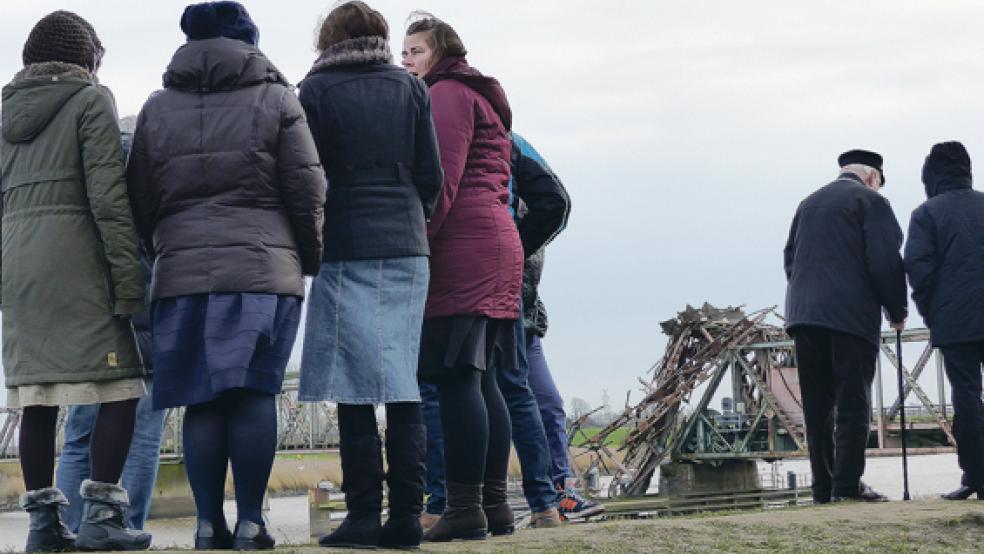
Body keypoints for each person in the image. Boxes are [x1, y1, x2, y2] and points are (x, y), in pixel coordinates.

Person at [125, 2, 326, 549]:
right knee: (254, 392)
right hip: (264, 270)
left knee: (201, 396)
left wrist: (163, 247)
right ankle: (253, 524)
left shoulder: (157, 107)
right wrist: (307, 258)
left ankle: (206, 523)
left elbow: (139, 197)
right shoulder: (277, 98)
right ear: (249, 40)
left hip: (181, 272)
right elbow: (307, 190)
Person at [2, 10, 152, 552]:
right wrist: (128, 281)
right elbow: (108, 199)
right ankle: (103, 518)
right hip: (80, 266)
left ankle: (44, 528)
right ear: (87, 59)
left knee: (36, 394)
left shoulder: (3, 111)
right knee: (121, 387)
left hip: (19, 271)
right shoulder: (91, 100)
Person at [296, 1, 442, 549]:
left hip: (344, 244)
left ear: (328, 39)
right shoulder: (410, 88)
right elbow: (431, 174)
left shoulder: (315, 91)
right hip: (406, 243)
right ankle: (406, 516)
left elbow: (307, 177)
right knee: (402, 382)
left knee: (351, 387)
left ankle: (361, 515)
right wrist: (411, 218)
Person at [403, 12, 523, 542]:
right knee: (482, 379)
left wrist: (419, 242)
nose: (406, 60)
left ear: (443, 54)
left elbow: (442, 179)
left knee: (455, 379)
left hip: (463, 246)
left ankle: (464, 507)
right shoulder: (479, 94)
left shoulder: (446, 94)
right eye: (402, 51)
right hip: (494, 240)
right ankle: (494, 505)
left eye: (417, 51)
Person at [57, 117, 166, 534]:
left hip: (92, 324)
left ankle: (69, 527)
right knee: (144, 437)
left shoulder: (87, 189)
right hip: (150, 321)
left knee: (80, 433)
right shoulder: (151, 194)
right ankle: (126, 524)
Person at [783, 149, 907, 503]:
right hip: (850, 316)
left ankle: (823, 488)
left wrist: (808, 299)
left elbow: (790, 259)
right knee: (853, 402)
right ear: (872, 177)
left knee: (817, 406)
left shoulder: (807, 204)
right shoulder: (870, 202)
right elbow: (884, 260)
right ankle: (847, 487)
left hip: (804, 316)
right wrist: (896, 309)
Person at [903, 141, 984, 501]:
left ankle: (976, 475)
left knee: (966, 395)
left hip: (956, 322)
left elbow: (919, 270)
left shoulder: (927, 214)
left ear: (930, 176)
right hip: (959, 317)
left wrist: (932, 312)